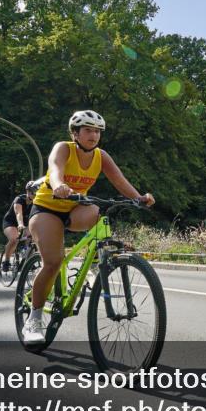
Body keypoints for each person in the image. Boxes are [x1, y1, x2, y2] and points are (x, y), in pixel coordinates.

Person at [23, 110, 155, 344]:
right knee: (53, 262)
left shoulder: (101, 156)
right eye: (88, 130)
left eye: (97, 131)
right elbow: (54, 170)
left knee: (96, 211)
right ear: (75, 133)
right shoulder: (64, 148)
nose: (93, 135)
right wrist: (59, 185)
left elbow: (119, 181)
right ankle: (33, 319)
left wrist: (138, 198)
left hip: (75, 209)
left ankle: (97, 263)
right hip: (47, 209)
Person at [0, 181, 39, 272]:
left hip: (26, 224)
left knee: (32, 238)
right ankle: (6, 261)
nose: (34, 195)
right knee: (14, 239)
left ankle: (28, 260)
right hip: (11, 222)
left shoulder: (37, 202)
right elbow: (18, 213)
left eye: (36, 193)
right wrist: (20, 224)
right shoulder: (19, 199)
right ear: (27, 191)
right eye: (32, 192)